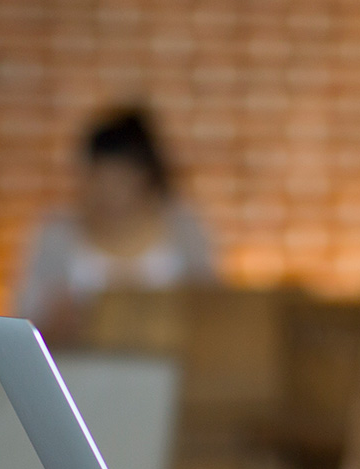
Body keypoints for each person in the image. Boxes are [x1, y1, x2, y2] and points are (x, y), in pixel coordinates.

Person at [12, 107, 215, 340]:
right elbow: (19, 327)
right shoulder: (57, 234)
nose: (112, 193)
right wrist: (50, 325)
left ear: (146, 178)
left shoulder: (184, 230)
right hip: (80, 370)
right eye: (101, 178)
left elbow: (211, 314)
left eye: (122, 179)